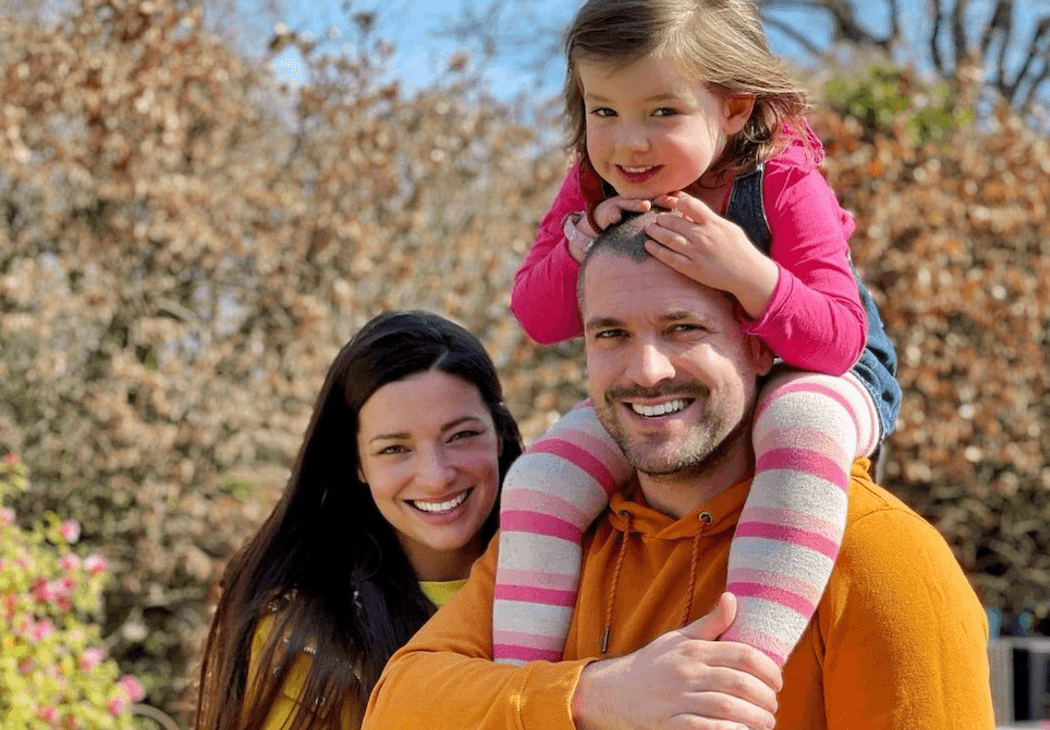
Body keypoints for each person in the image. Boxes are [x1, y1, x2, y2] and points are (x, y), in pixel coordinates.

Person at [362, 213, 994, 730]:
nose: (646, 370)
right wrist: (596, 696)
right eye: (610, 334)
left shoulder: (881, 555)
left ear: (757, 344)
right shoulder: (556, 541)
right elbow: (396, 708)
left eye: (683, 328)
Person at [495, 0, 900, 667]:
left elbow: (838, 342)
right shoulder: (590, 185)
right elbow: (540, 319)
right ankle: (524, 685)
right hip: (674, 388)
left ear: (734, 108)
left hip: (817, 371)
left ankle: (738, 671)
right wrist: (584, 242)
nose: (630, 141)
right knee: (540, 477)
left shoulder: (783, 184)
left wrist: (750, 276)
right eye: (605, 111)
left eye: (662, 112)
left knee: (800, 422)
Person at [193, 310, 523, 730]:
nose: (437, 476)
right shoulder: (304, 633)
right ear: (358, 464)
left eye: (461, 436)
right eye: (394, 449)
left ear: (497, 434)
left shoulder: (579, 568)